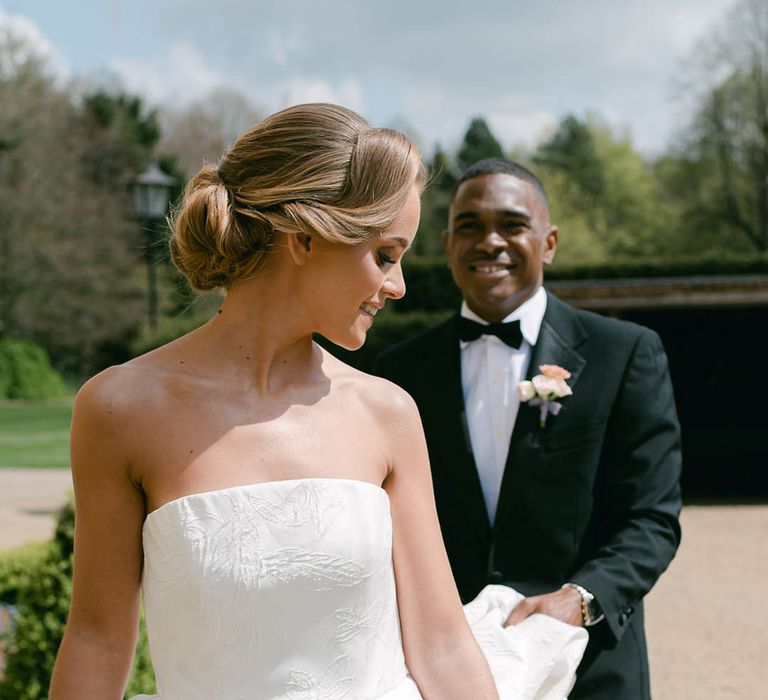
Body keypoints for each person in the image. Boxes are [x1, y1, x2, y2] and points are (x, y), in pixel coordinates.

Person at [49, 107, 585, 700]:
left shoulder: (387, 414)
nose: (399, 284)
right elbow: (97, 640)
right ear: (304, 237)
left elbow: (441, 645)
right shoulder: (119, 409)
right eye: (385, 255)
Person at [375, 158, 682, 700]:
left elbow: (651, 518)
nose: (489, 241)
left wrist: (580, 598)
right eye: (469, 226)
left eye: (512, 225)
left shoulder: (625, 354)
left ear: (550, 243)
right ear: (447, 245)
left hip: (589, 662)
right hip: (445, 670)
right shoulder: (398, 375)